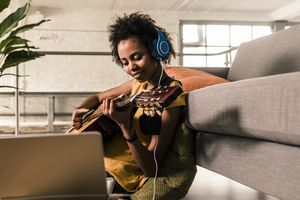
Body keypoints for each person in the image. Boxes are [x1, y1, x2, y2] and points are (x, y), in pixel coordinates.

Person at [72, 12, 196, 200]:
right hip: (98, 163)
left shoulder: (172, 98)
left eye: (137, 57)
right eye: (125, 63)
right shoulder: (137, 85)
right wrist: (81, 109)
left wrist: (125, 127)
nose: (131, 67)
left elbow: (151, 168)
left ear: (157, 50)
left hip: (122, 177)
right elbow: (97, 97)